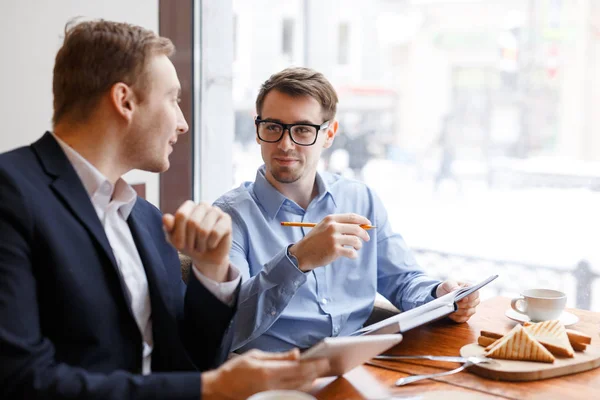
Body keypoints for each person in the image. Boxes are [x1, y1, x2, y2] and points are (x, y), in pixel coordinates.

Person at [0, 21, 327, 399]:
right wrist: (212, 387)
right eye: (173, 99)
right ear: (124, 101)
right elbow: (21, 382)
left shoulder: (146, 219)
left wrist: (212, 272)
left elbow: (191, 360)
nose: (183, 123)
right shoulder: (12, 194)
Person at [214, 67, 480, 352]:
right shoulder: (229, 217)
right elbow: (228, 329)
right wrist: (297, 260)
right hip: (273, 376)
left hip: (359, 363)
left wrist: (440, 295)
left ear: (329, 135)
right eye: (273, 127)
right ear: (258, 129)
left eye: (303, 130)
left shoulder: (360, 199)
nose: (285, 144)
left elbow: (403, 280)